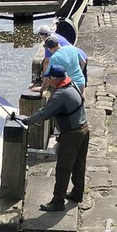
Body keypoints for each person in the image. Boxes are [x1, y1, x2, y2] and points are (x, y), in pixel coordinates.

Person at [20, 73, 90, 212]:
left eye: (49, 78)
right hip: (84, 129)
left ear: (55, 79)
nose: (48, 80)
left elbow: (45, 113)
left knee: (63, 169)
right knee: (79, 165)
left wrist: (27, 120)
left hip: (71, 135)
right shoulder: (72, 84)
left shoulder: (61, 94)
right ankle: (77, 194)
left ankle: (58, 202)